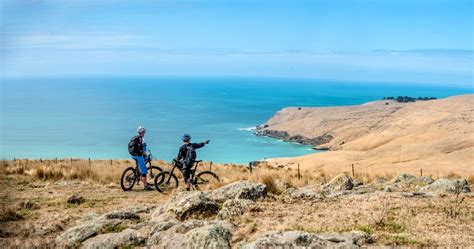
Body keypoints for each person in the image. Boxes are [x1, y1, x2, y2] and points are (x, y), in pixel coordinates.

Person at [128, 126, 153, 191]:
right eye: (144, 131)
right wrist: (146, 155)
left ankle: (137, 175)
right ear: (142, 132)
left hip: (133, 154)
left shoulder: (135, 137)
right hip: (138, 155)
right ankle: (146, 186)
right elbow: (144, 149)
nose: (144, 132)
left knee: (140, 165)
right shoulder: (142, 139)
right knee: (144, 171)